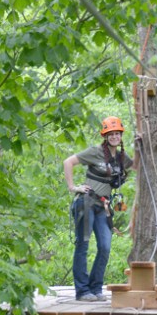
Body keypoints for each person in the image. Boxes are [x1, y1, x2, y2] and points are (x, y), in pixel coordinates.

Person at [63, 116, 134, 302]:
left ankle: (95, 288)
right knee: (83, 245)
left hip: (104, 206)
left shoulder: (121, 157)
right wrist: (73, 187)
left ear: (121, 136)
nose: (114, 137)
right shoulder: (95, 152)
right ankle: (82, 290)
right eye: (111, 134)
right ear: (105, 136)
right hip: (86, 203)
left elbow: (138, 167)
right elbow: (68, 162)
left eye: (117, 134)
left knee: (105, 246)